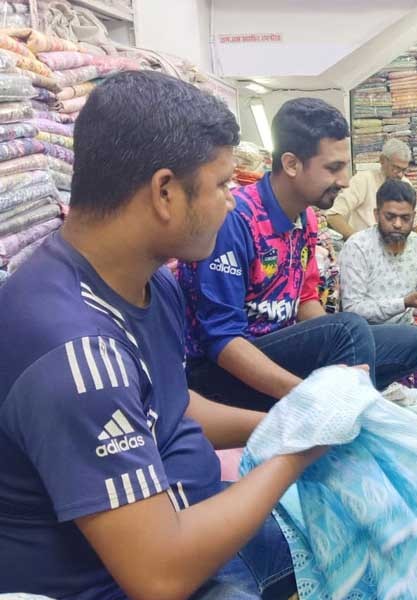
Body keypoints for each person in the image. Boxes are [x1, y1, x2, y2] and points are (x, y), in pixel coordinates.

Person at [0, 71, 321, 599]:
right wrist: (295, 458)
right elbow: (159, 575)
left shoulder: (152, 282)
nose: (233, 203)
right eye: (222, 185)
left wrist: (286, 424)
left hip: (184, 518)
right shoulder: (76, 352)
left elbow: (172, 405)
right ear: (165, 192)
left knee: (351, 531)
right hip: (125, 580)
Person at [177, 98, 417, 411]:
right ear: (292, 164)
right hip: (221, 375)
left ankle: (343, 408)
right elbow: (222, 342)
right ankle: (338, 420)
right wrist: (305, 392)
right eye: (333, 168)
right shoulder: (234, 220)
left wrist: (334, 349)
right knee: (347, 328)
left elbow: (307, 300)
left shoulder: (306, 218)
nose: (345, 181)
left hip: (278, 351)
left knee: (413, 342)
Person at [325, 138, 417, 254]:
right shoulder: (364, 180)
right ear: (383, 160)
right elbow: (333, 215)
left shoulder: (406, 184)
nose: (400, 174)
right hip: (364, 252)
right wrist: (359, 242)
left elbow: (415, 222)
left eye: (404, 170)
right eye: (396, 168)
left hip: (395, 250)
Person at [339, 178, 417, 325]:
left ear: (413, 217)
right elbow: (353, 309)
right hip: (368, 333)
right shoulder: (358, 247)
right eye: (390, 217)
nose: (398, 224)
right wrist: (403, 303)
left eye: (405, 218)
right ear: (376, 215)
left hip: (408, 327)